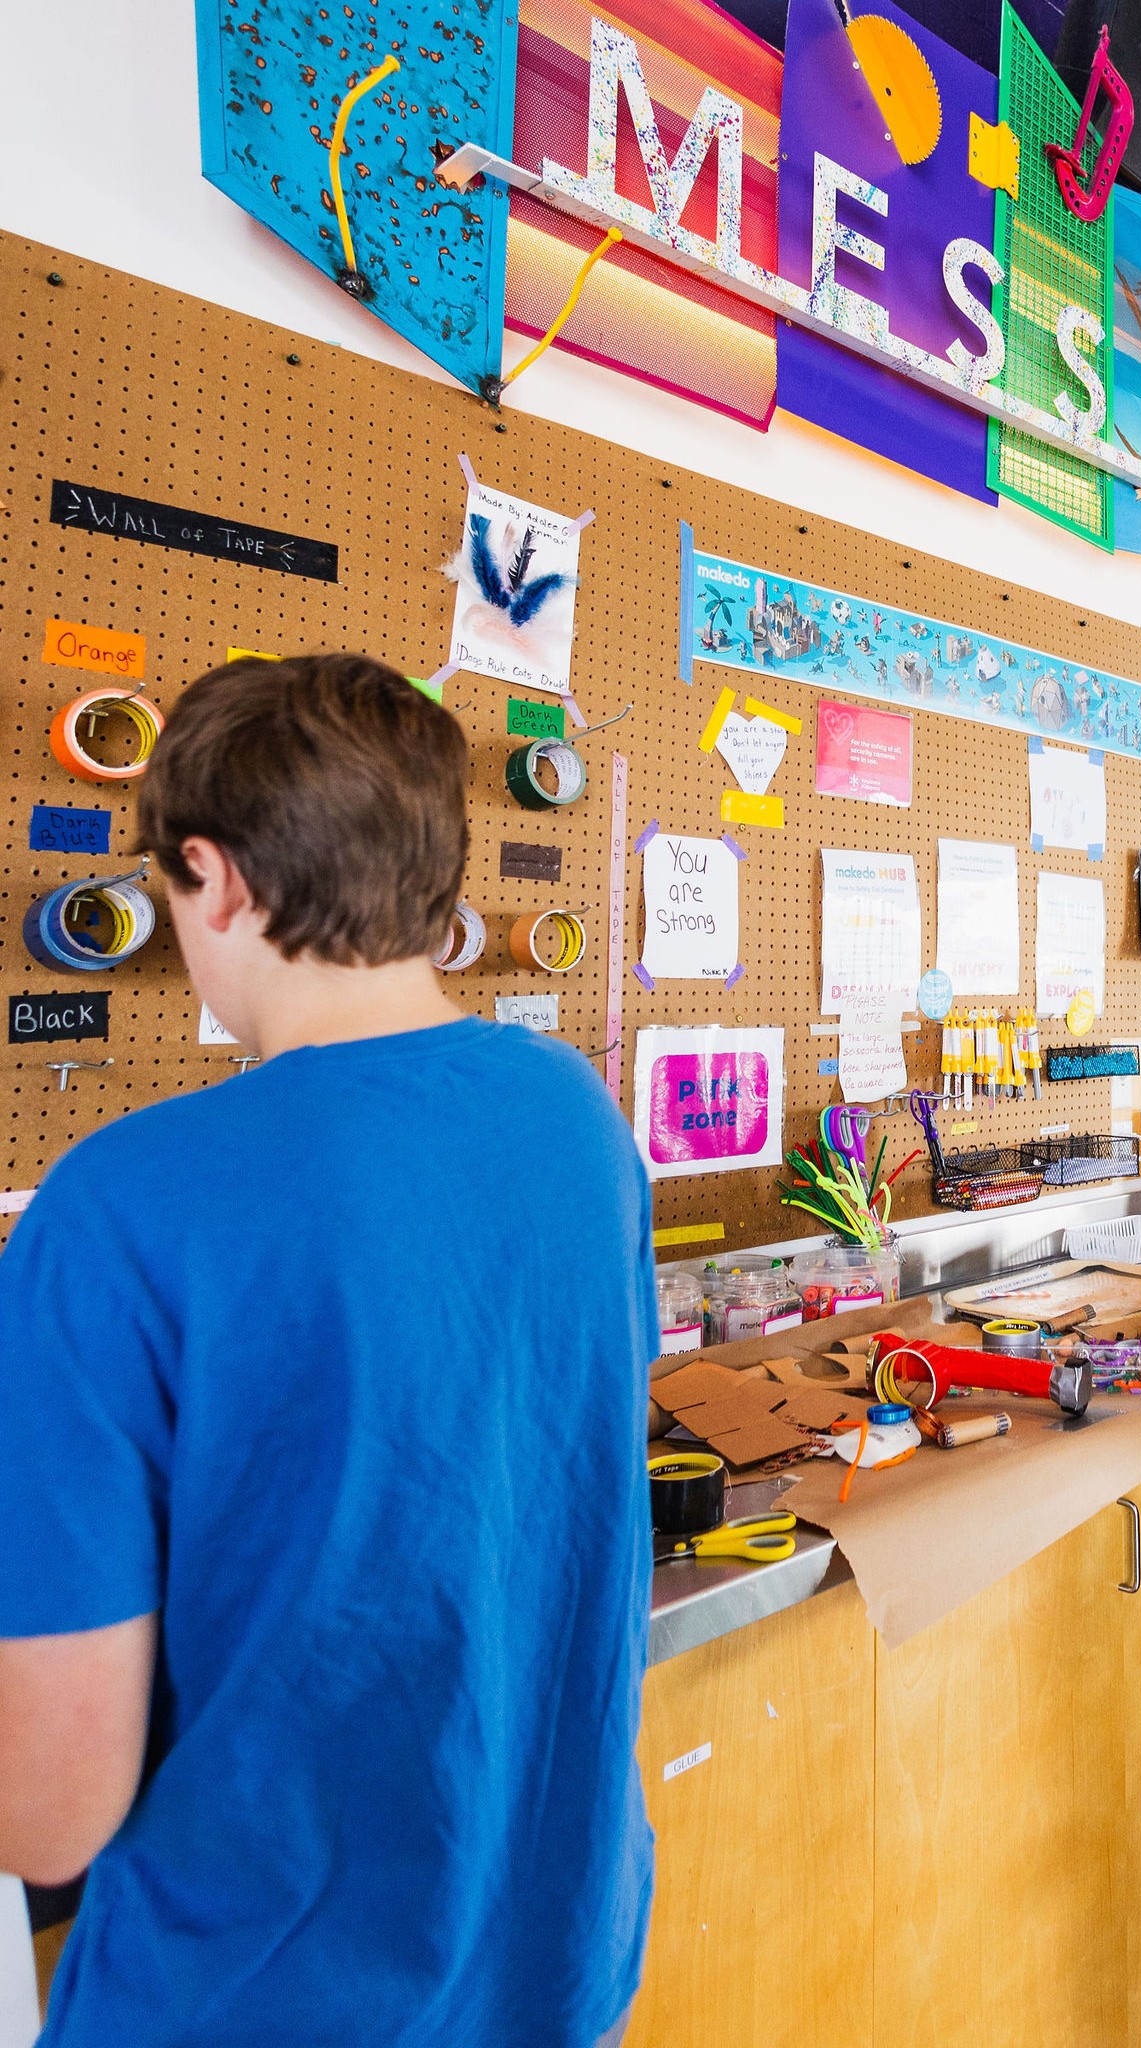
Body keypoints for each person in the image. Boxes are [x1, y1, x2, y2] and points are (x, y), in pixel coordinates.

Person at [0, 654, 656, 2048]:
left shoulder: (121, 1205)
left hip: (256, 1995)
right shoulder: (574, 1121)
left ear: (216, 878)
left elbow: (47, 1808)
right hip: (546, 1965)